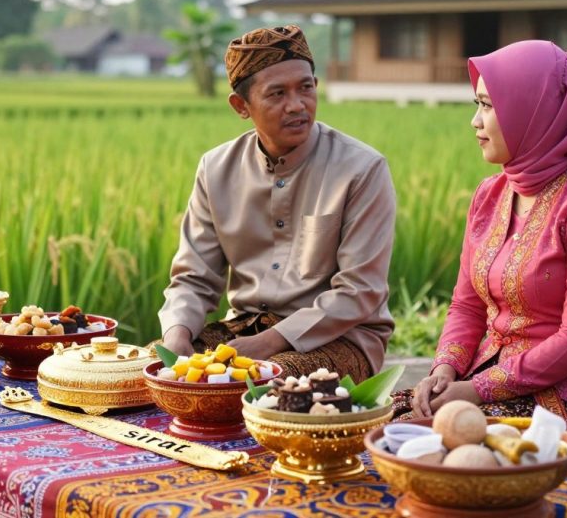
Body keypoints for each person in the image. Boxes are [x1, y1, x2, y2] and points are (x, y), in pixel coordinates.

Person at [401, 40, 567, 466]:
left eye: (489, 106)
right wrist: (445, 371)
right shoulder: (490, 195)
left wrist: (477, 389)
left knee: (449, 452)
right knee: (385, 425)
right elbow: (466, 304)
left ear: (536, 112)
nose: (475, 121)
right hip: (486, 379)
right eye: (477, 104)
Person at [158, 25, 396, 382]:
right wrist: (176, 336)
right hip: (243, 330)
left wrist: (268, 344)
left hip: (341, 339)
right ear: (241, 106)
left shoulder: (362, 169)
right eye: (277, 94)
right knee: (151, 374)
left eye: (306, 87)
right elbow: (194, 277)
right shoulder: (216, 168)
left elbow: (359, 291)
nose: (297, 105)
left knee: (273, 385)